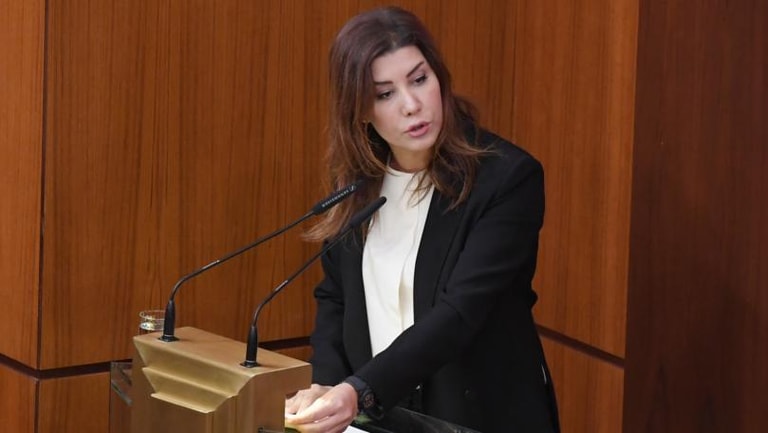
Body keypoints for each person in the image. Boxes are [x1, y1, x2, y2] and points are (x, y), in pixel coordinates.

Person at [285, 6, 559, 433]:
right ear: (359, 109)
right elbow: (335, 297)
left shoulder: (506, 179)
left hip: (478, 419)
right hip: (377, 423)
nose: (412, 105)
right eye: (385, 94)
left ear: (440, 78)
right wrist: (327, 384)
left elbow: (460, 312)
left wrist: (360, 391)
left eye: (419, 79)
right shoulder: (357, 187)